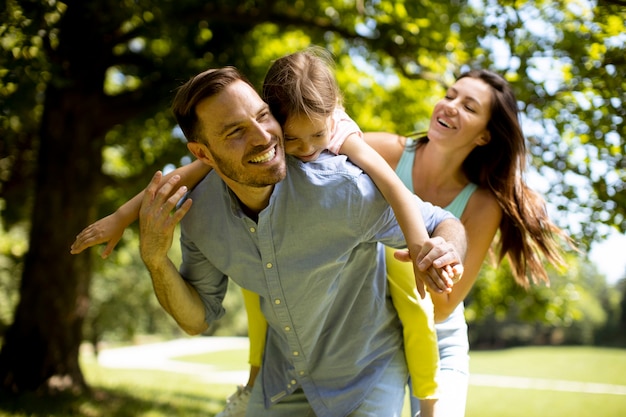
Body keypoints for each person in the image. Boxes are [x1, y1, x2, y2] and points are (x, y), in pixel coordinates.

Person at [72, 49, 458, 416]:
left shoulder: (343, 185)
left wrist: (435, 247)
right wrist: (153, 257)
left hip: (365, 373)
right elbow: (196, 319)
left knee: (417, 318)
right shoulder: (197, 212)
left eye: (262, 116)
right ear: (203, 154)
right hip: (285, 379)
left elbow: (438, 218)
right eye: (235, 132)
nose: (264, 138)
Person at [364, 68, 572, 416]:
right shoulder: (384, 151)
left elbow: (444, 304)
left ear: (484, 137)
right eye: (449, 96)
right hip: (370, 328)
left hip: (438, 336)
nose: (450, 106)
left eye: (469, 107)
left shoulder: (482, 205)